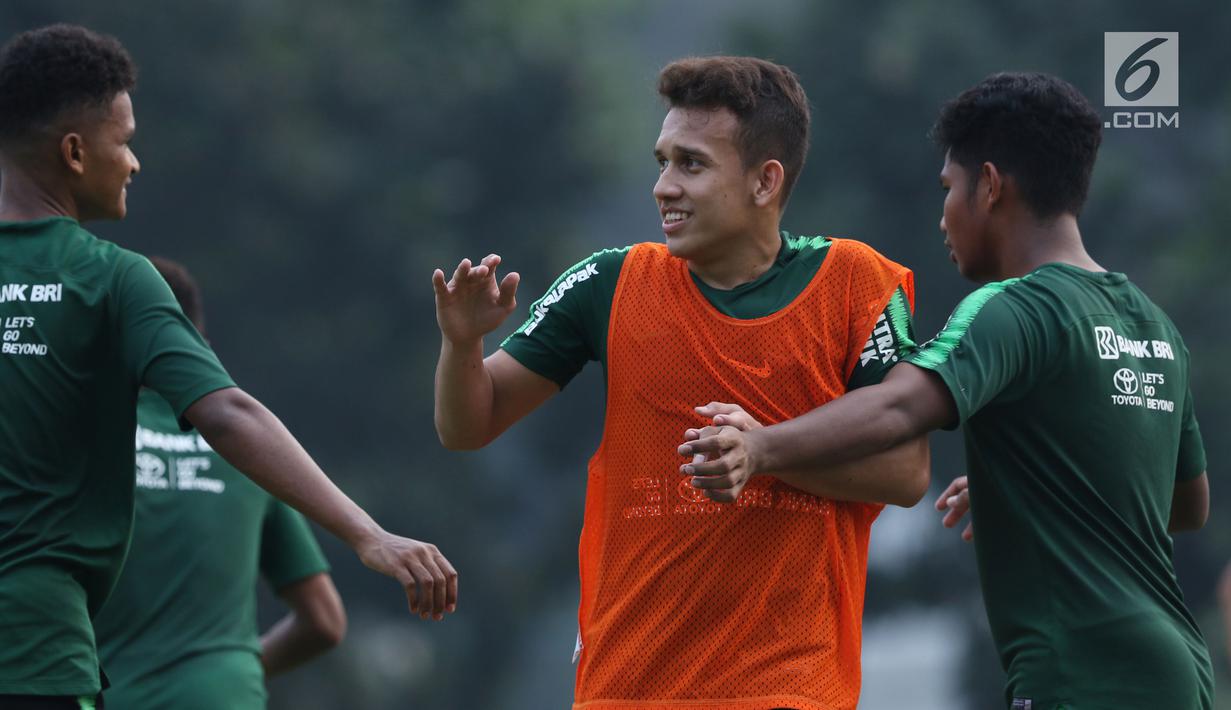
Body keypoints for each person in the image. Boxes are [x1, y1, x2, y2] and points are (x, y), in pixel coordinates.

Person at [679, 72, 1212, 709]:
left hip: (1080, 672)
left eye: (948, 189)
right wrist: (1036, 490)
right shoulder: (1153, 324)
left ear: (989, 187)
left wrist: (762, 447)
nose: (942, 216)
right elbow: (1186, 506)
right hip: (1180, 669)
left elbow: (901, 404)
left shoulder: (1018, 308)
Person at [433, 55, 928, 710]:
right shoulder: (607, 284)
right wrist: (462, 342)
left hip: (786, 687)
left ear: (764, 182)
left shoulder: (854, 284)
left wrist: (764, 453)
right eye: (662, 161)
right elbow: (470, 424)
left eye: (690, 164)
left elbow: (904, 470)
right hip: (625, 688)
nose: (663, 186)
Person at [0, 24, 456, 710]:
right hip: (33, 650)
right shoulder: (111, 280)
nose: (134, 163)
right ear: (73, 151)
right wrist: (369, 535)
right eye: (123, 142)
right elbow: (227, 411)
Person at [92, 257, 346, 709]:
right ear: (194, 345)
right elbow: (325, 621)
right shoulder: (250, 451)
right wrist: (226, 672)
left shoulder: (76, 437)